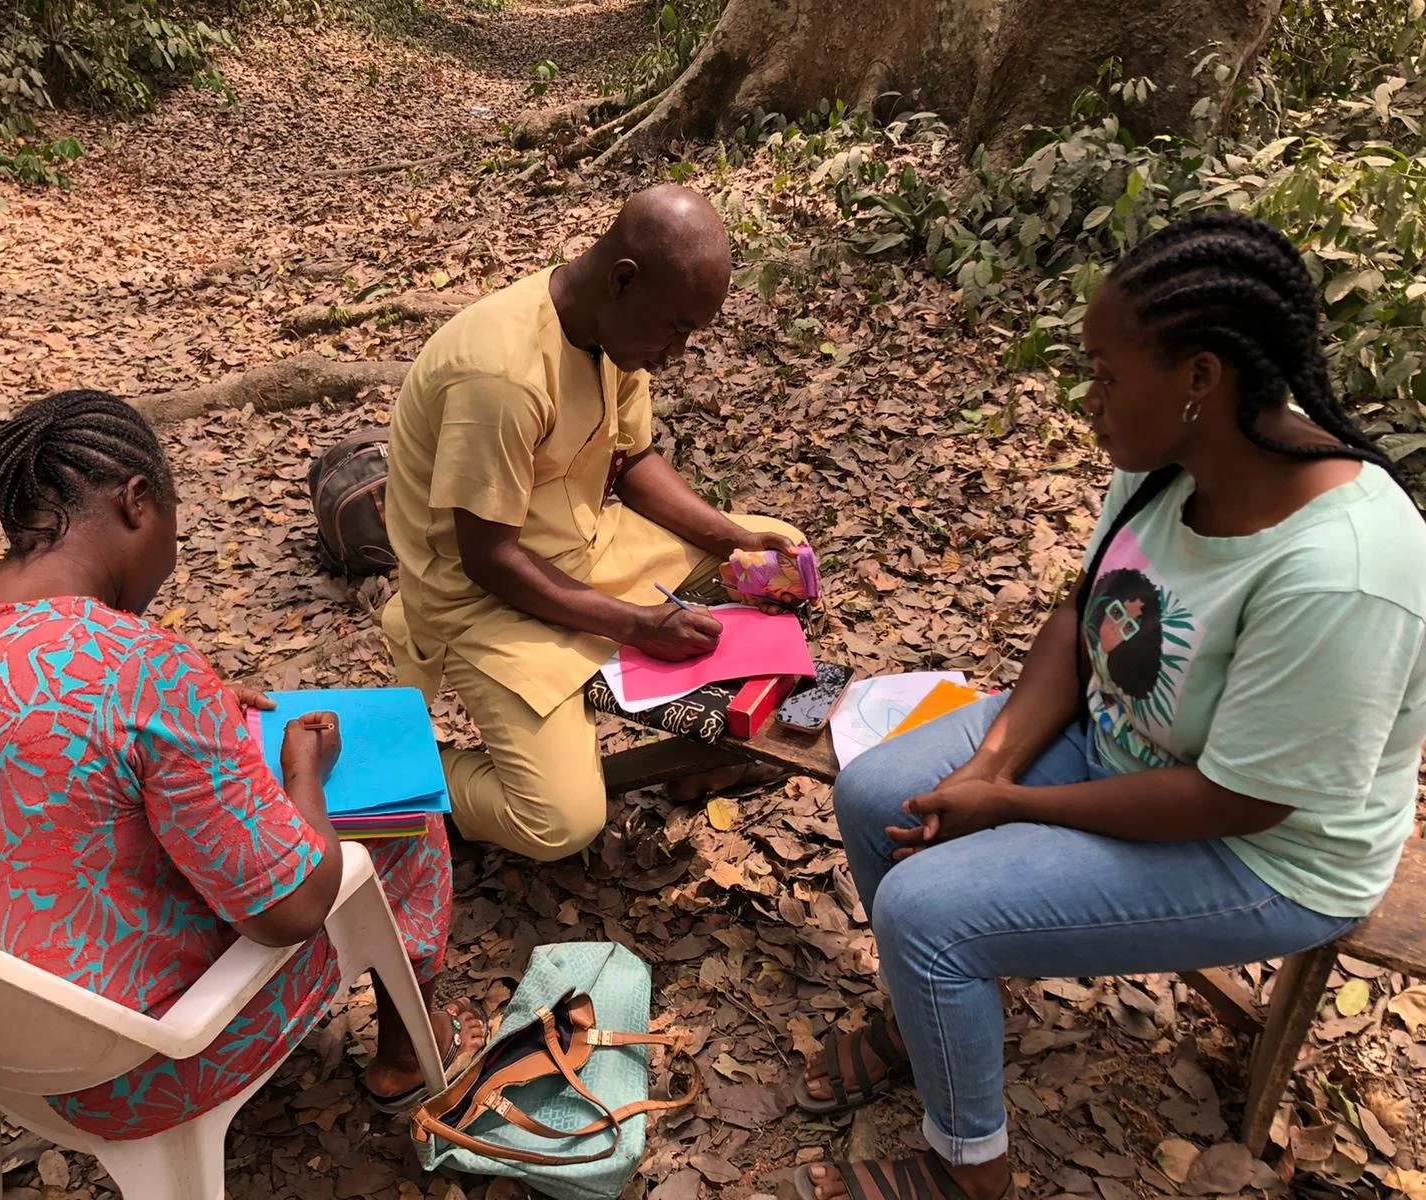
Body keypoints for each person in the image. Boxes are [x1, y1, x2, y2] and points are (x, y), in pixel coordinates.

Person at [794, 212, 1426, 1200]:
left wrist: (1006, 805)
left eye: (1102, 374)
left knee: (926, 914)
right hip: (1128, 740)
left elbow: (1240, 801)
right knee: (877, 791)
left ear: (1199, 380)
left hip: (1267, 850)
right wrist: (991, 761)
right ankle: (929, 1019)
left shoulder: (1344, 570)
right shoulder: (1166, 456)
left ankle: (969, 1167)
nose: (1088, 401)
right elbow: (1078, 612)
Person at [0, 390, 485, 1140]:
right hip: (128, 1070)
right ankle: (410, 1058)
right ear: (138, 501)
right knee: (407, 834)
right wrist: (302, 776)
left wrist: (195, 710)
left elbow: (25, 716)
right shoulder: (141, 669)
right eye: (175, 528)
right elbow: (293, 911)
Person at [383, 184, 805, 862]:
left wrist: (732, 541)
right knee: (558, 823)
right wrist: (635, 625)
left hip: (584, 546)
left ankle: (695, 756)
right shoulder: (503, 373)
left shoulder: (612, 334)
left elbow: (632, 459)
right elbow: (489, 558)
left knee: (777, 554)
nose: (676, 354)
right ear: (623, 280)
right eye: (675, 330)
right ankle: (398, 772)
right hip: (483, 601)